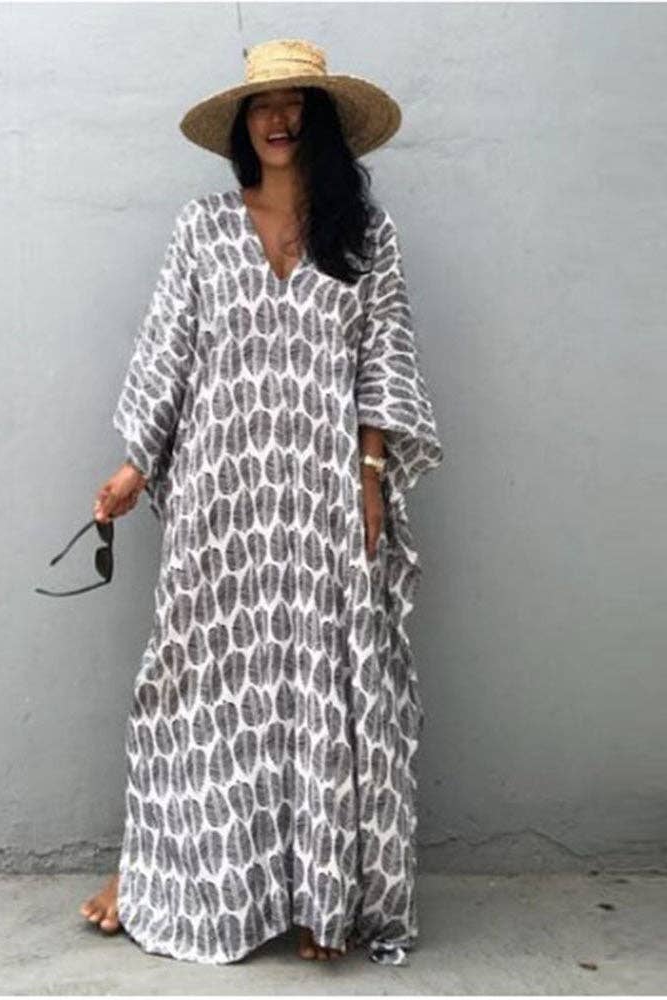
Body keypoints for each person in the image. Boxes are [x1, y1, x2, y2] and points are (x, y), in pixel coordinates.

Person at [80, 37, 444, 965]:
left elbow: (385, 359)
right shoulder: (203, 228)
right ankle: (161, 873)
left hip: (322, 497)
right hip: (222, 496)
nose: (279, 119)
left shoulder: (364, 235)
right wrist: (134, 465)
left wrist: (371, 476)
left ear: (320, 125)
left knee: (322, 688)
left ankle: (324, 895)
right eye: (263, 106)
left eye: (296, 105)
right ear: (243, 125)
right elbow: (169, 351)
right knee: (199, 688)